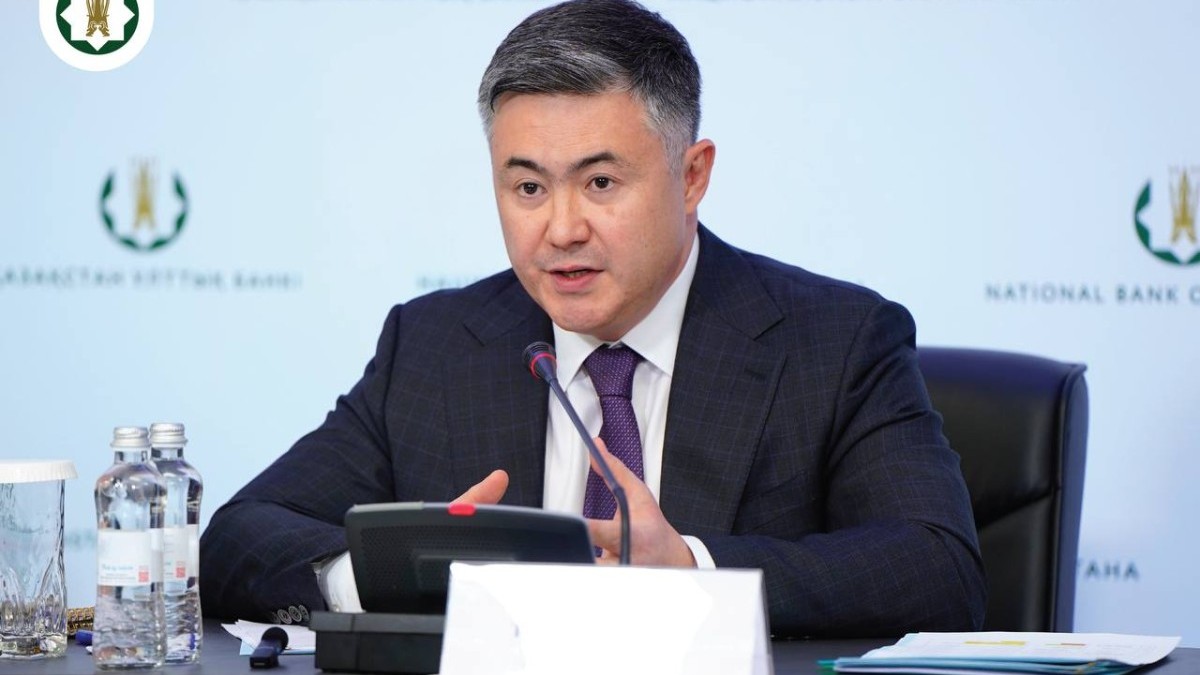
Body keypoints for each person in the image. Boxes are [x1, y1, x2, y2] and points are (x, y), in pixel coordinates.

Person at [200, 0, 986, 638]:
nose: (562, 229)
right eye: (528, 188)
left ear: (692, 176)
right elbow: (239, 537)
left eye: (601, 182)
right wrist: (387, 578)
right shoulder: (435, 345)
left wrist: (694, 572)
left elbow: (937, 567)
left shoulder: (835, 341)